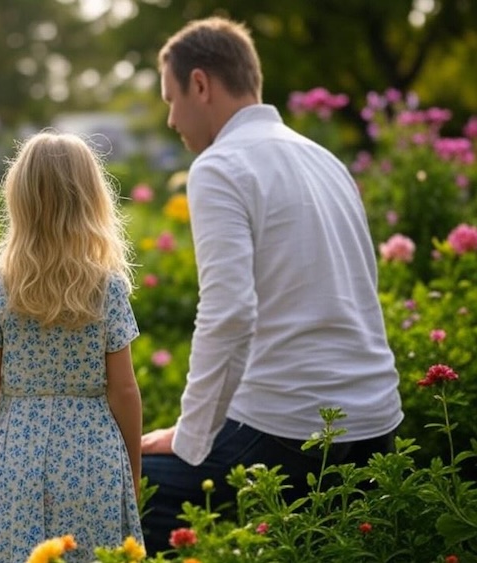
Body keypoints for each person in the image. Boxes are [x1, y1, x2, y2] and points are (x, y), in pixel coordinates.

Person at [140, 16, 404, 554]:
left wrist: (190, 439)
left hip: (292, 433)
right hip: (378, 426)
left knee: (134, 484)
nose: (171, 118)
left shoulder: (219, 166)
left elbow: (230, 312)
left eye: (170, 98)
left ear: (199, 84)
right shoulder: (324, 160)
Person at [0, 131, 143, 562]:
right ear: (92, 201)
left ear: (19, 201)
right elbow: (124, 390)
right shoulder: (107, 288)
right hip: (91, 455)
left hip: (13, 454)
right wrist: (133, 471)